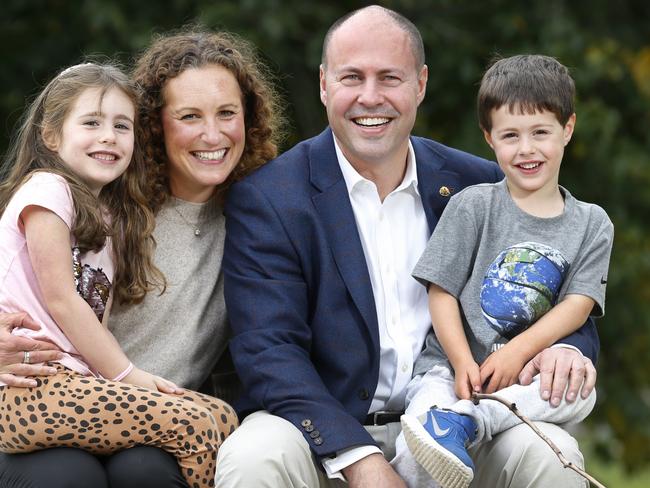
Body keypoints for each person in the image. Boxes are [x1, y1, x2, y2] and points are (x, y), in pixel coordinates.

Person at [217, 6, 599, 488]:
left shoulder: (476, 184)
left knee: (551, 453)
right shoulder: (271, 198)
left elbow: (555, 277)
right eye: (351, 77)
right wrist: (360, 458)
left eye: (389, 78)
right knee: (255, 455)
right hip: (326, 436)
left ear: (420, 84)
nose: (369, 97)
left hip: (463, 415)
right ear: (323, 84)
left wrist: (567, 347)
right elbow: (268, 349)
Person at [0, 29, 284, 488]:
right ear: (155, 124)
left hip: (152, 425)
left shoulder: (262, 216)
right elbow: (21, 276)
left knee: (147, 471)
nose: (212, 134)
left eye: (227, 113)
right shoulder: (105, 203)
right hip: (51, 403)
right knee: (67, 475)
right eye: (190, 115)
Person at [399, 54, 614, 488]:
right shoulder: (472, 205)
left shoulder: (593, 223)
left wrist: (516, 354)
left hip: (526, 381)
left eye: (541, 133)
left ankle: (472, 422)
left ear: (567, 129)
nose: (527, 149)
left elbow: (578, 305)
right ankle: (452, 421)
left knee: (579, 393)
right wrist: (462, 362)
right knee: (417, 440)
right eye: (510, 135)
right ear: (489, 138)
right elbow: (440, 292)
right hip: (448, 371)